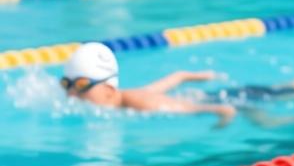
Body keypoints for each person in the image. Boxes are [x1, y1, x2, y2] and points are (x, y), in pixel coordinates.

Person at [60, 42, 236, 126]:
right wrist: (187, 76)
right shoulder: (124, 98)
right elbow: (170, 80)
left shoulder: (143, 103)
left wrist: (222, 119)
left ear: (109, 89)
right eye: (66, 84)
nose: (71, 94)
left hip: (235, 98)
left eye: (81, 85)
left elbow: (217, 109)